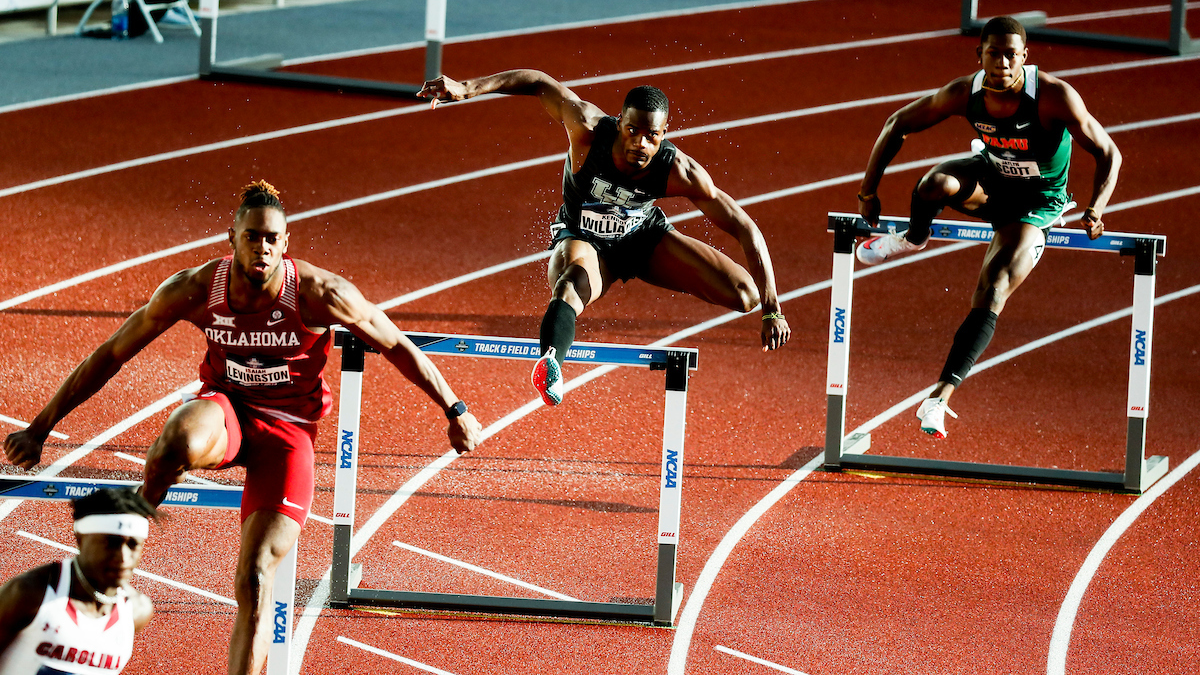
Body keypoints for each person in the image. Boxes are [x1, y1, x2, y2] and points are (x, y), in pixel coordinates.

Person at [3, 181, 483, 674]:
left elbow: (397, 343)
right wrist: (41, 427)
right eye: (252, 237)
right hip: (226, 409)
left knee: (256, 579)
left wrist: (454, 408)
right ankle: (133, 537)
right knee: (177, 440)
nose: (263, 248)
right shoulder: (193, 289)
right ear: (231, 238)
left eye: (272, 238)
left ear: (286, 242)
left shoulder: (321, 294)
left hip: (290, 433)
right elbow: (113, 352)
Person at [418, 70, 791, 406]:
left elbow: (745, 227)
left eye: (652, 137)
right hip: (585, 239)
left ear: (664, 135)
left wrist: (772, 307)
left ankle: (754, 298)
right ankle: (551, 363)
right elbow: (538, 82)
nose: (641, 144)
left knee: (746, 296)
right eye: (633, 131)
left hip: (643, 240)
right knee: (570, 284)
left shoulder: (679, 171)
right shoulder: (587, 130)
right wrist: (468, 88)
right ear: (620, 122)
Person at [854, 16, 1120, 438]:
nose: (1002, 62)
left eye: (1011, 54)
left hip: (1036, 204)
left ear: (1025, 58)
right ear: (978, 56)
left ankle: (938, 398)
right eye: (993, 53)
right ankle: (913, 239)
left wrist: (1096, 207)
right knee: (933, 185)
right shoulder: (965, 93)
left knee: (993, 287)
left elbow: (1109, 152)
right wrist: (868, 192)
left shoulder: (1053, 97)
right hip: (990, 181)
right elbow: (897, 124)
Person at [0, 488, 158, 674]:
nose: (123, 557)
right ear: (80, 538)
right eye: (111, 543)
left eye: (133, 545)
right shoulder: (31, 593)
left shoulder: (137, 611)